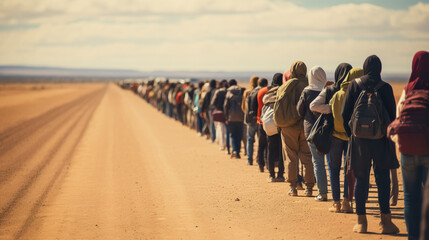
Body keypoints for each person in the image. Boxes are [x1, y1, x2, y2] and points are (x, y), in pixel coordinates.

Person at [342, 55, 399, 234]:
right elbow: (392, 116)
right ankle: (386, 223)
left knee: (361, 179)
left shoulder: (354, 85)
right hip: (381, 140)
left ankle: (361, 223)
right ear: (380, 69)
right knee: (382, 180)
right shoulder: (386, 88)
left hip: (359, 142)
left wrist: (353, 134)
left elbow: (345, 114)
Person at [390, 51, 429, 240]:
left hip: (407, 151)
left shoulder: (408, 90)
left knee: (410, 198)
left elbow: (399, 119)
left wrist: (402, 144)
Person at [310, 63, 354, 211]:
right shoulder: (354, 90)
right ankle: (346, 201)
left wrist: (331, 109)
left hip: (334, 134)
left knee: (334, 169)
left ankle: (336, 203)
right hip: (350, 135)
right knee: (348, 170)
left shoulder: (330, 89)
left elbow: (313, 105)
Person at [276, 61, 315, 197]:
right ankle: (309, 188)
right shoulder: (310, 85)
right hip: (306, 125)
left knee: (291, 158)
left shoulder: (285, 86)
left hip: (288, 127)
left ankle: (293, 187)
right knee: (307, 157)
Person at [297, 66, 328, 201]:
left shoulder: (307, 91)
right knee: (333, 164)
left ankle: (322, 193)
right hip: (328, 130)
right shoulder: (328, 90)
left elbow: (299, 110)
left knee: (318, 162)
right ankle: (343, 195)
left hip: (311, 131)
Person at [263, 73, 284, 182]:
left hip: (268, 123)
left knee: (271, 149)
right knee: (282, 150)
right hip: (281, 122)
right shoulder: (284, 91)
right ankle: (280, 175)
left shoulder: (268, 92)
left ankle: (271, 175)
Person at [224, 79, 245, 159]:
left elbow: (225, 106)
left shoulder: (228, 93)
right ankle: (238, 153)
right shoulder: (241, 92)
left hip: (231, 117)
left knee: (232, 135)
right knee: (239, 135)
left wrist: (226, 117)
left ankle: (234, 151)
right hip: (240, 117)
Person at [243, 76, 260, 165]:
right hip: (259, 118)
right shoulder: (260, 91)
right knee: (259, 139)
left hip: (250, 119)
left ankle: (249, 159)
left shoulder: (247, 92)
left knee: (250, 139)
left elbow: (243, 107)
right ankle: (258, 158)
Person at [211, 80, 229, 151]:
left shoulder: (218, 92)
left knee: (221, 129)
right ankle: (228, 144)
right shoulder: (228, 92)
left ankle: (222, 145)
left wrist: (218, 108)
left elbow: (213, 102)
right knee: (228, 130)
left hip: (220, 112)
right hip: (228, 113)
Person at [256, 78, 269, 172]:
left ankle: (261, 165)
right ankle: (269, 165)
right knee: (270, 145)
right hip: (272, 121)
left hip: (261, 120)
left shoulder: (260, 92)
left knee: (261, 145)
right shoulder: (272, 91)